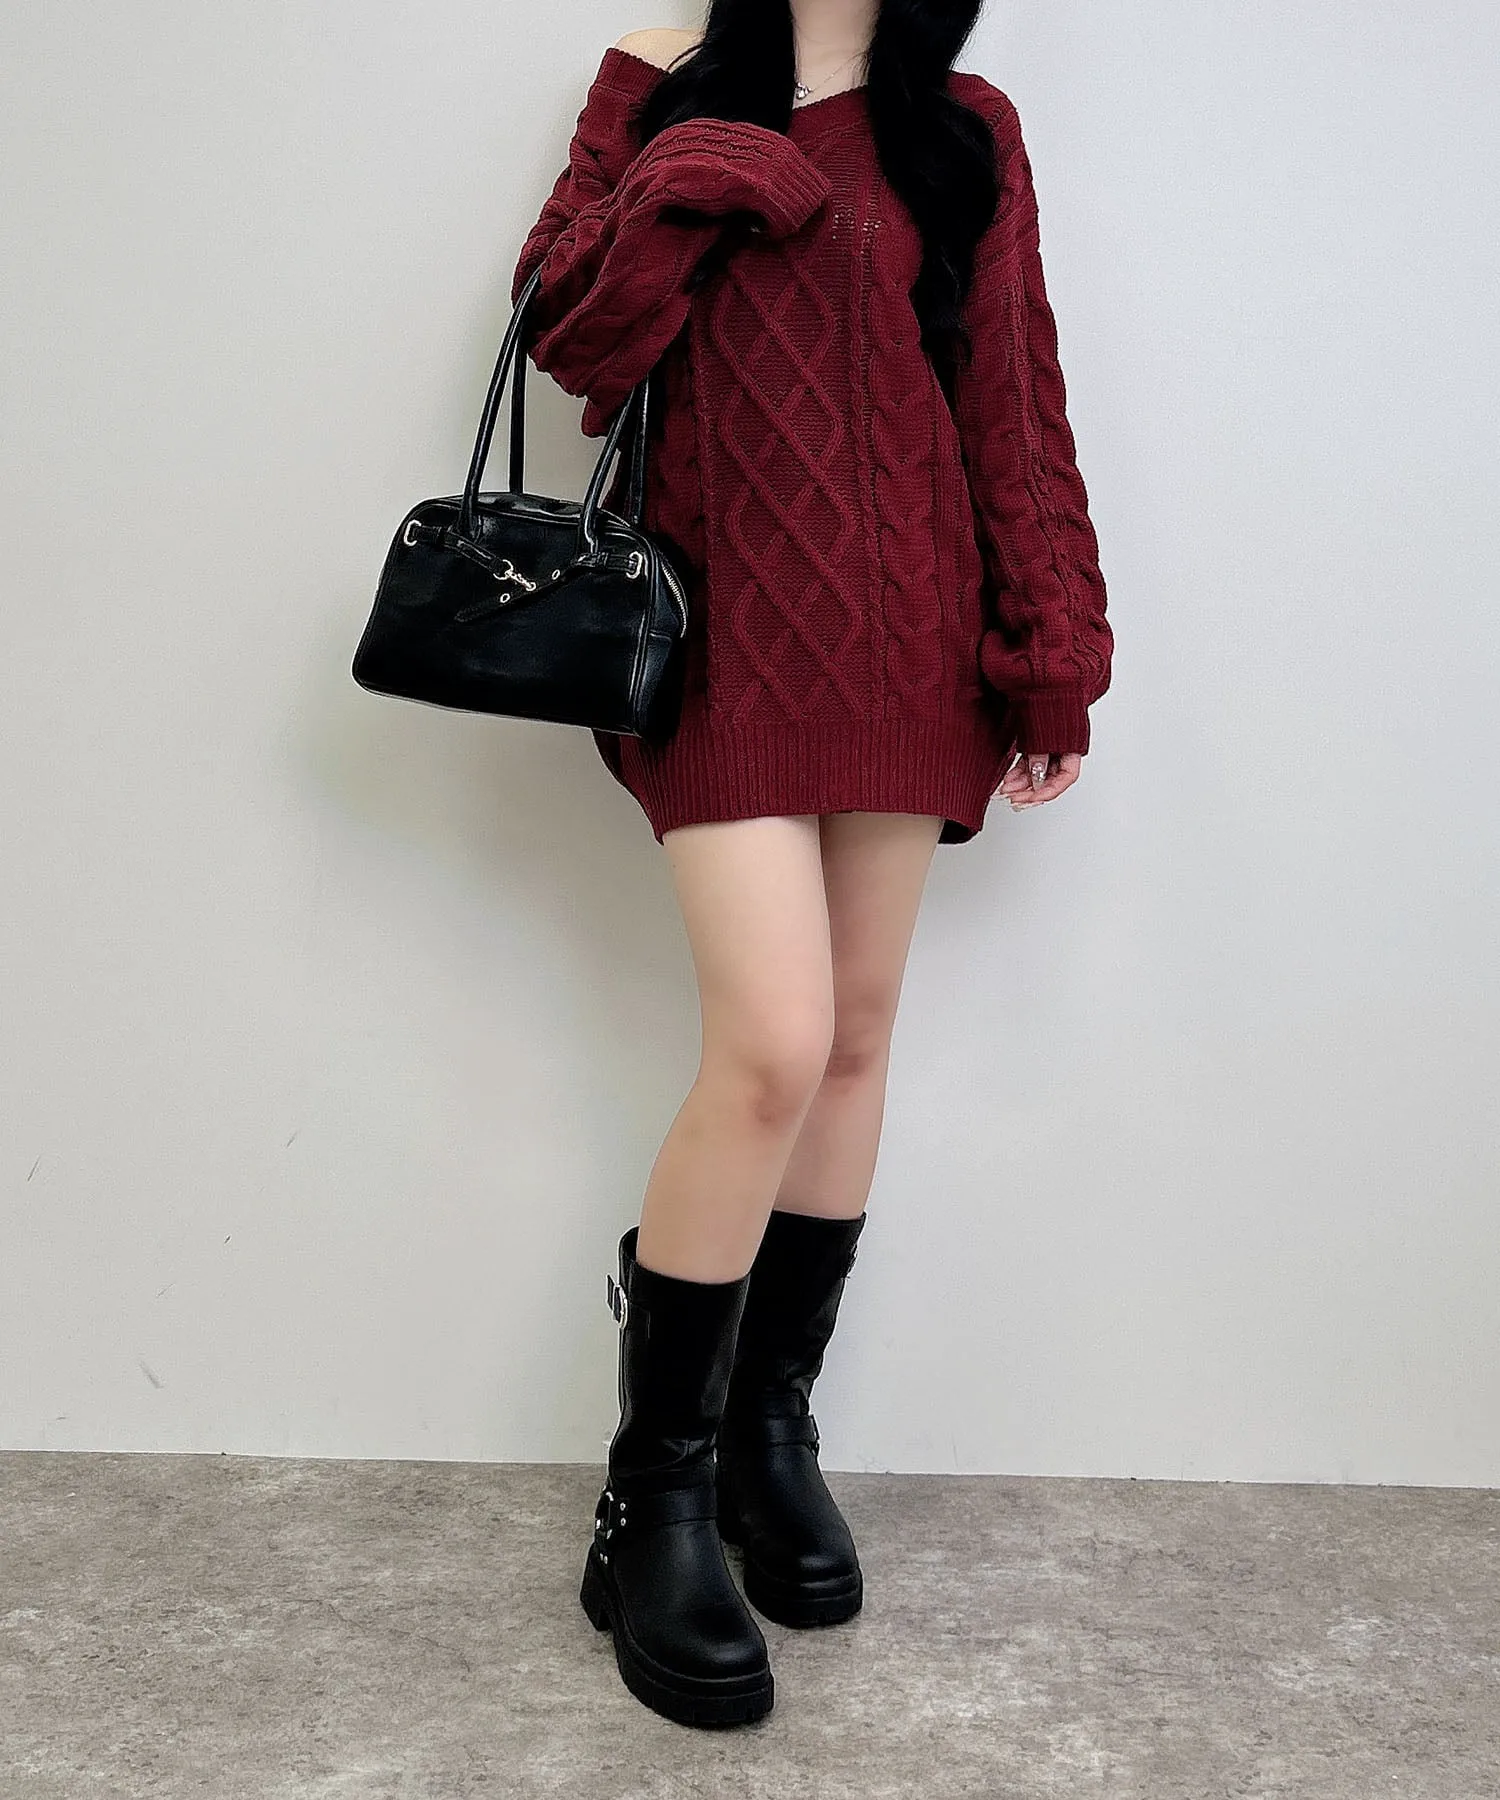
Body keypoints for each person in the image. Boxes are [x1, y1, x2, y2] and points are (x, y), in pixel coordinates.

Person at [509, 0, 1112, 1728]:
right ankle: (652, 1501)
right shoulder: (662, 88)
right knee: (770, 1043)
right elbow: (570, 337)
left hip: (911, 637)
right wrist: (688, 162)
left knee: (849, 1040)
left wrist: (1048, 646)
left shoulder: (964, 125)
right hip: (718, 648)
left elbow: (1011, 390)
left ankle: (768, 1433)